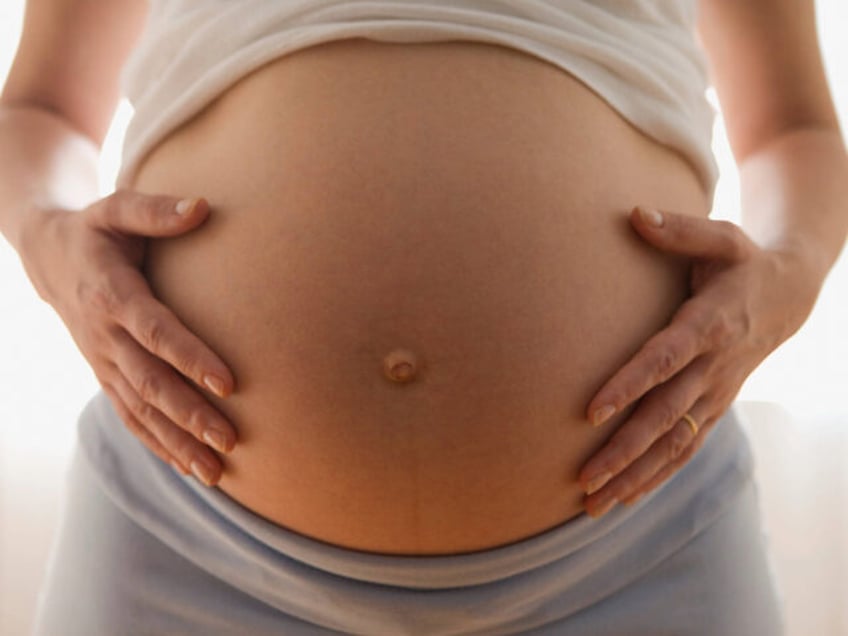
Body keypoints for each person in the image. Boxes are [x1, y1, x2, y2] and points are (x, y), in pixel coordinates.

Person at [1, 0, 845, 633]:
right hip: (182, 528)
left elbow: (793, 127)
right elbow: (39, 109)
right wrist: (49, 242)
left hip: (638, 536)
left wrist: (789, 275)